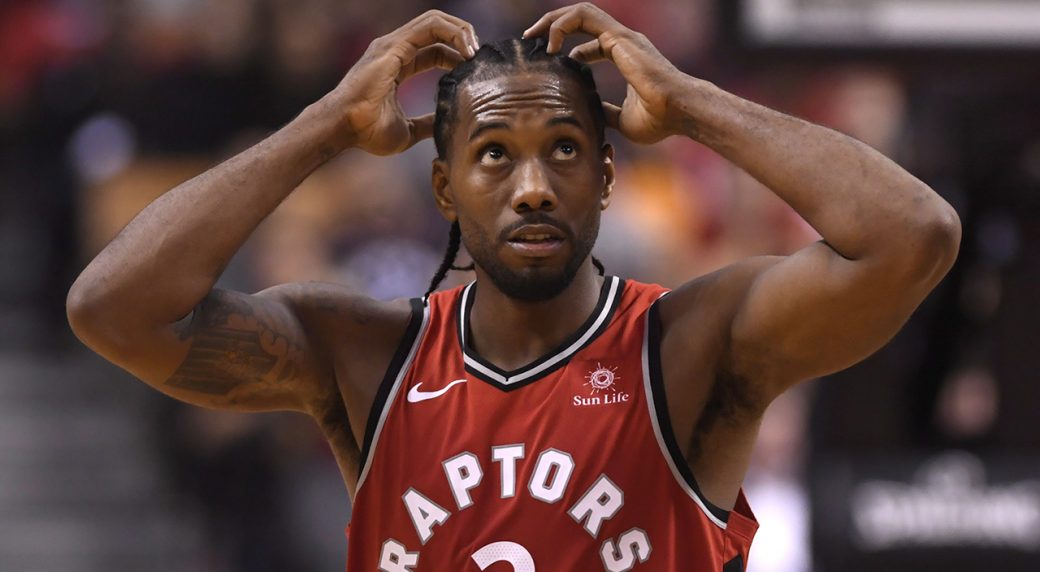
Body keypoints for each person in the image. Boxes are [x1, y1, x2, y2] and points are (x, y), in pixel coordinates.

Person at [66, 4, 960, 571]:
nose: (532, 186)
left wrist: (692, 103)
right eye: (494, 154)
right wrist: (324, 125)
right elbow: (112, 310)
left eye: (564, 149)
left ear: (605, 176)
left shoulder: (689, 346)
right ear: (444, 187)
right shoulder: (366, 353)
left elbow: (913, 235)